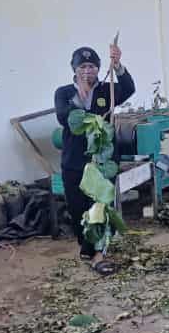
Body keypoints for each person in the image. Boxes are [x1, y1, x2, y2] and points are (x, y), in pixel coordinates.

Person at [54, 43, 135, 271]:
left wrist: (117, 65)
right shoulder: (64, 93)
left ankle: (100, 253)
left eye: (92, 66)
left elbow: (129, 88)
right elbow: (63, 118)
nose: (88, 71)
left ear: (99, 68)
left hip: (103, 160)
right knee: (77, 207)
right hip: (74, 161)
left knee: (99, 205)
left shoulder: (106, 90)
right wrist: (79, 101)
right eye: (83, 66)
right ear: (75, 69)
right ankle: (87, 246)